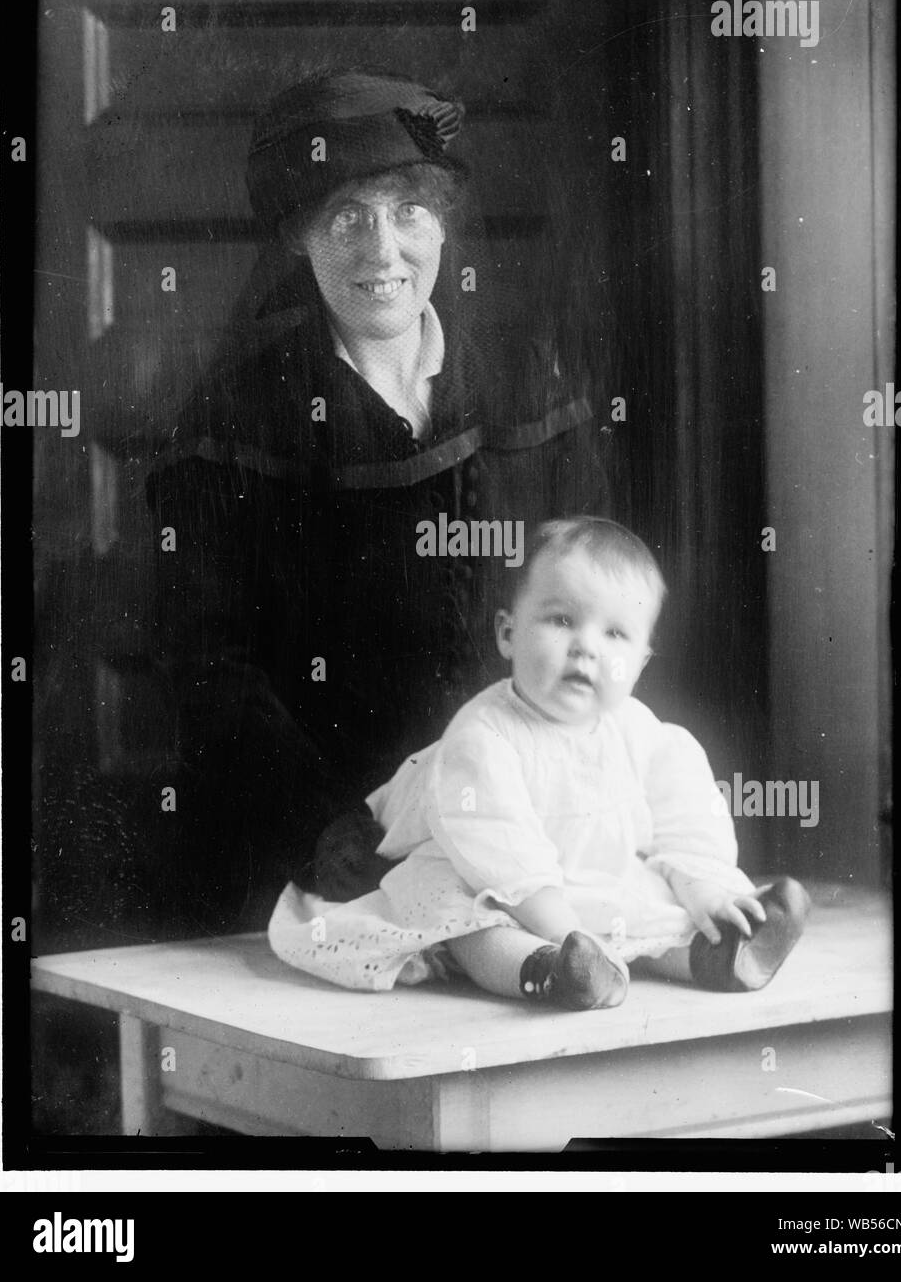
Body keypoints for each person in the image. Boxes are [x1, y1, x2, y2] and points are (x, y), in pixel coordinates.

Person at [146, 72, 613, 934]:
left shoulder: (525, 387)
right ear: (297, 237)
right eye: (345, 218)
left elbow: (595, 605)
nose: (382, 252)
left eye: (406, 212)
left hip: (528, 825)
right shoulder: (231, 426)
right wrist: (337, 834)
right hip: (331, 847)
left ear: (441, 222)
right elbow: (211, 673)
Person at [268, 517, 811, 1010]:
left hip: (570, 885)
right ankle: (547, 972)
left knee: (647, 903)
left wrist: (707, 892)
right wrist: (569, 932)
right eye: (561, 620)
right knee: (468, 921)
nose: (586, 648)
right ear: (508, 634)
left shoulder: (643, 735)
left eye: (616, 633)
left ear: (641, 662)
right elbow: (502, 856)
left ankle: (715, 954)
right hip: (462, 867)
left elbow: (688, 824)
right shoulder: (483, 738)